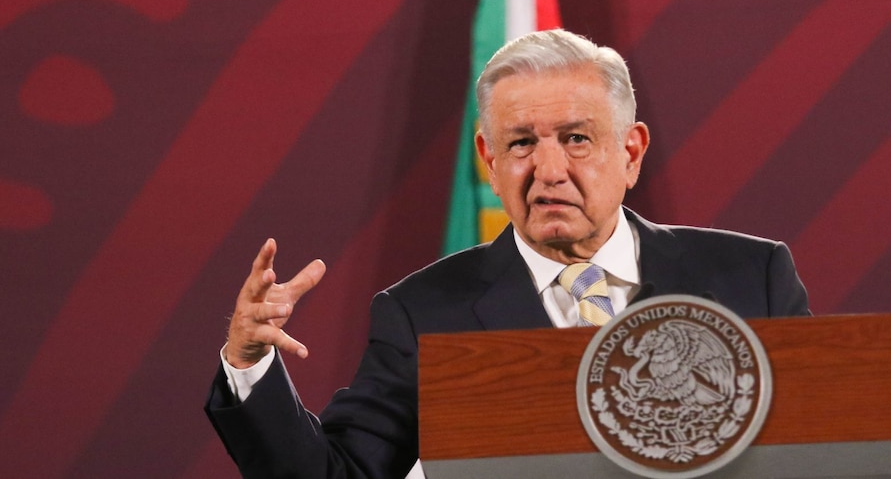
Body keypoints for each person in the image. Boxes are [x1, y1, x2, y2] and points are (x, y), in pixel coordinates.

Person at [205, 29, 810, 478]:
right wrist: (249, 361)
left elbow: (834, 447)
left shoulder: (751, 280)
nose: (549, 171)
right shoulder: (425, 315)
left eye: (576, 139)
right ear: (490, 161)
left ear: (630, 152)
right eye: (522, 143)